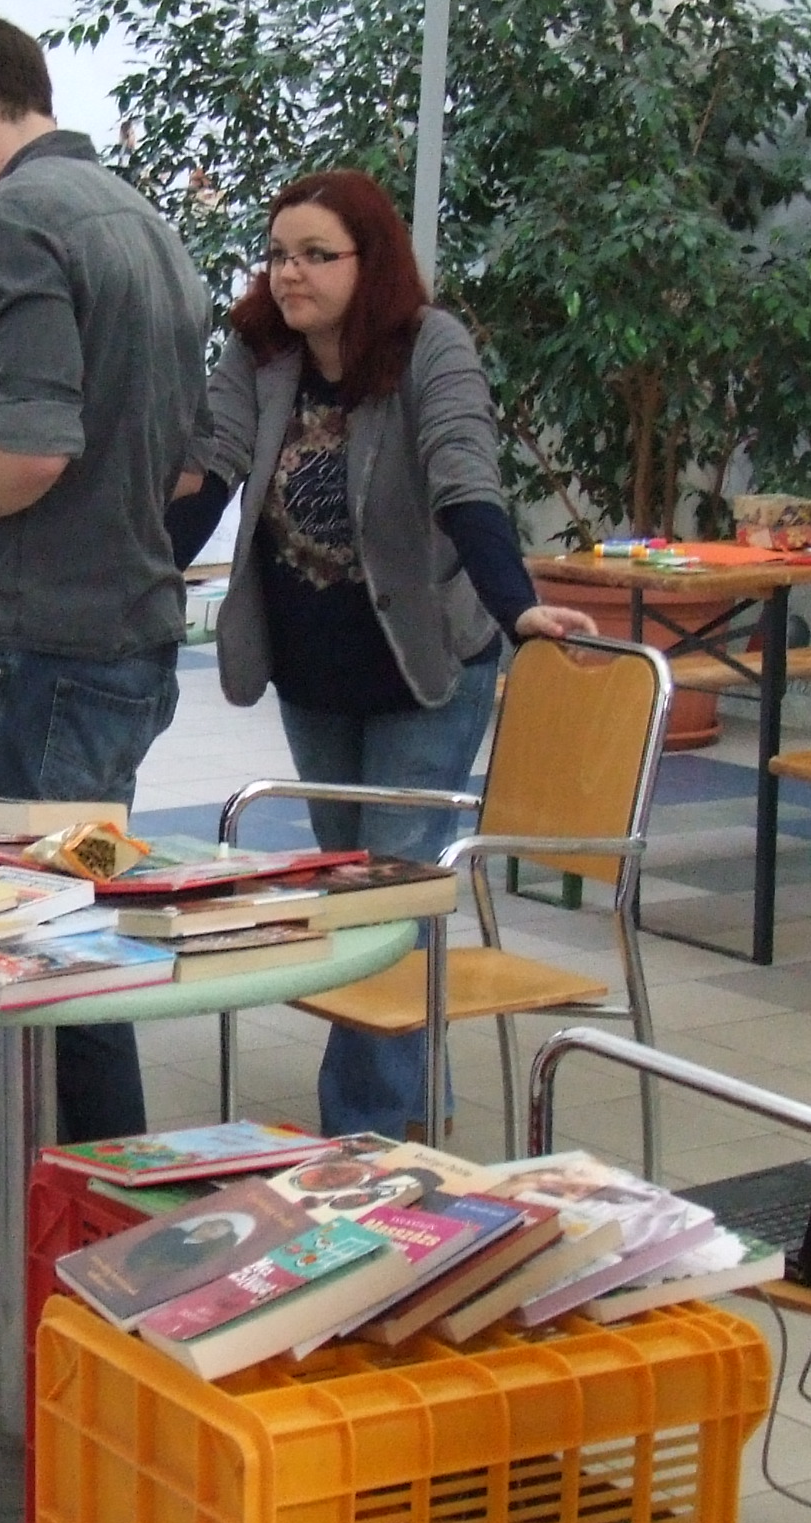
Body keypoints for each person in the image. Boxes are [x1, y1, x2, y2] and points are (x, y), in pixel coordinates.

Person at [0, 6, 207, 1367]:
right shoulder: (139, 219)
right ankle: (116, 1259)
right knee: (73, 960)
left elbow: (28, 448)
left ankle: (44, 1265)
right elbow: (188, 459)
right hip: (122, 639)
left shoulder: (14, 224)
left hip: (36, 649)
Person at [168, 169, 592, 1137]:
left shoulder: (429, 346)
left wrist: (518, 608)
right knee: (349, 888)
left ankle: (363, 1137)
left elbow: (464, 480)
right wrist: (145, 572)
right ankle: (412, 1115)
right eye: (278, 255)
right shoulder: (258, 350)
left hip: (423, 666)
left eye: (316, 255)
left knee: (383, 899)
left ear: (373, 262)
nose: (290, 274)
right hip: (313, 670)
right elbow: (214, 468)